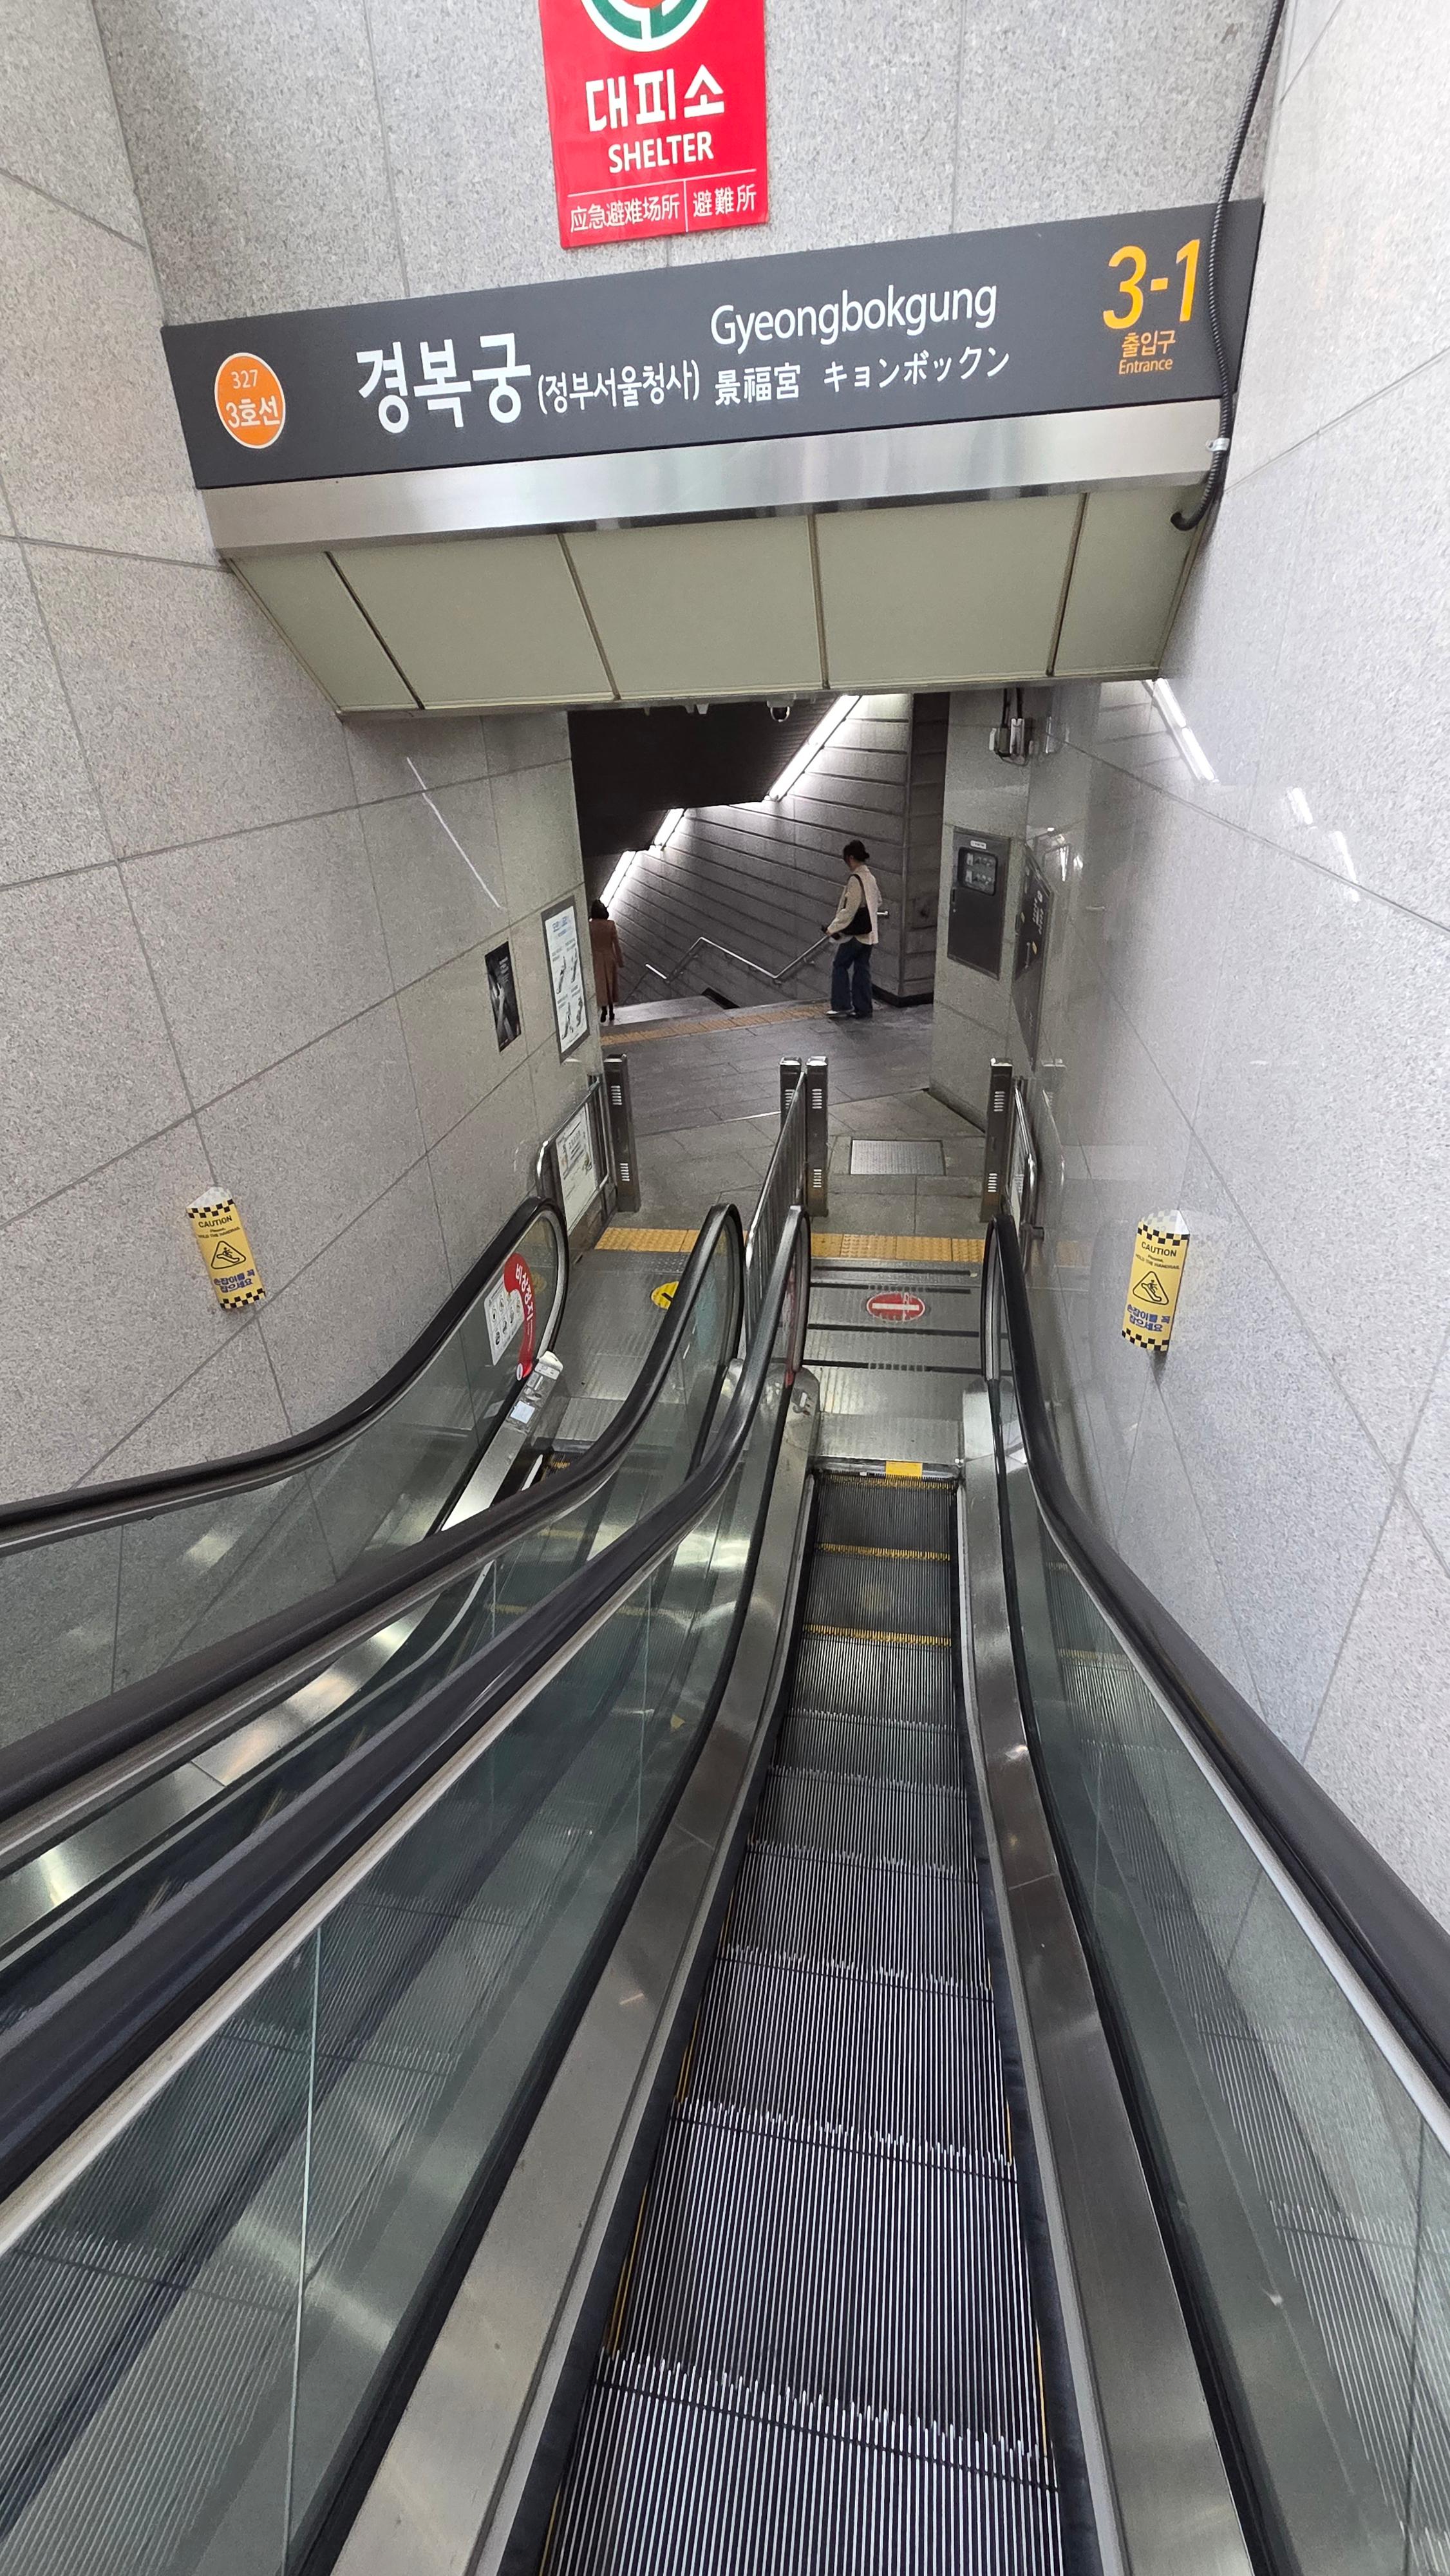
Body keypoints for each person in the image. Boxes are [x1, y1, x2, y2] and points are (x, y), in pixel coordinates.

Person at [824, 838, 882, 1019]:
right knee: (862, 968)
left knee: (840, 965)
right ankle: (864, 1008)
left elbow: (850, 909)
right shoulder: (870, 877)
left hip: (856, 935)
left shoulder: (856, 879)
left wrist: (833, 928)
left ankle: (842, 1006)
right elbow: (879, 901)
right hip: (870, 933)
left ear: (850, 858)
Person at [589, 897, 623, 1023]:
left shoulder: (590, 926)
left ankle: (603, 1010)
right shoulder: (610, 925)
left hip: (597, 958)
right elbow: (616, 944)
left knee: (601, 985)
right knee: (611, 984)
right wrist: (620, 961)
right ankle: (611, 1010)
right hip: (609, 957)